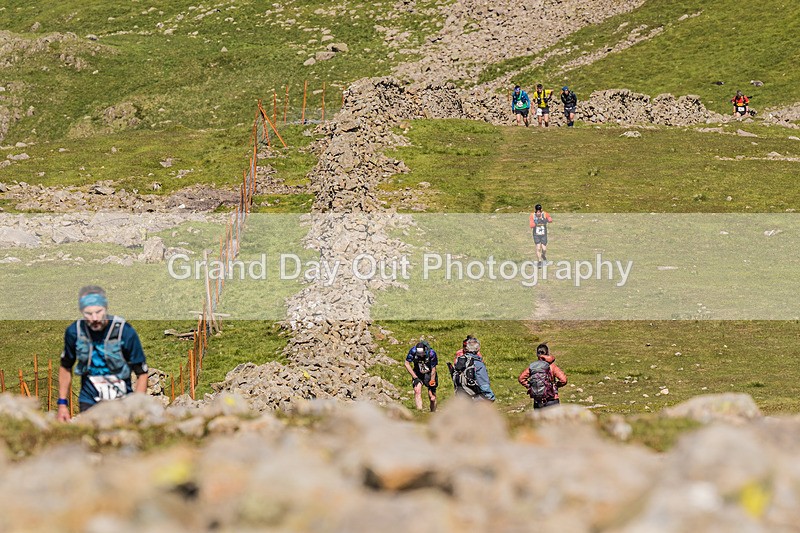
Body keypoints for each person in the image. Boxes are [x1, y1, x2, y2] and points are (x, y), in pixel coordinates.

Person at [57, 286, 149, 421]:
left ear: (106, 308)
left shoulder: (125, 332)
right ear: (81, 311)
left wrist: (136, 407)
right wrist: (62, 404)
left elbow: (142, 372)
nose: (94, 318)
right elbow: (66, 366)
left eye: (98, 312)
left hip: (122, 402)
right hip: (90, 402)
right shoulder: (74, 332)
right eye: (88, 313)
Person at [518, 343, 567, 409]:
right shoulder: (552, 366)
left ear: (537, 354)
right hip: (552, 399)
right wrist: (555, 385)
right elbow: (563, 380)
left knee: (539, 419)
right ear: (547, 353)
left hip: (538, 402)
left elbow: (521, 378)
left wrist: (531, 385)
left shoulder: (533, 367)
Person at [404, 340, 439, 412]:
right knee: (417, 390)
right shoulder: (413, 351)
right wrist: (415, 377)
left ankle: (433, 412)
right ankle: (419, 412)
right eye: (419, 354)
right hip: (418, 373)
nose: (421, 355)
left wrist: (432, 380)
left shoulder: (432, 353)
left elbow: (433, 369)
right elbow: (406, 363)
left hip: (429, 374)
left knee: (432, 397)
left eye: (422, 353)